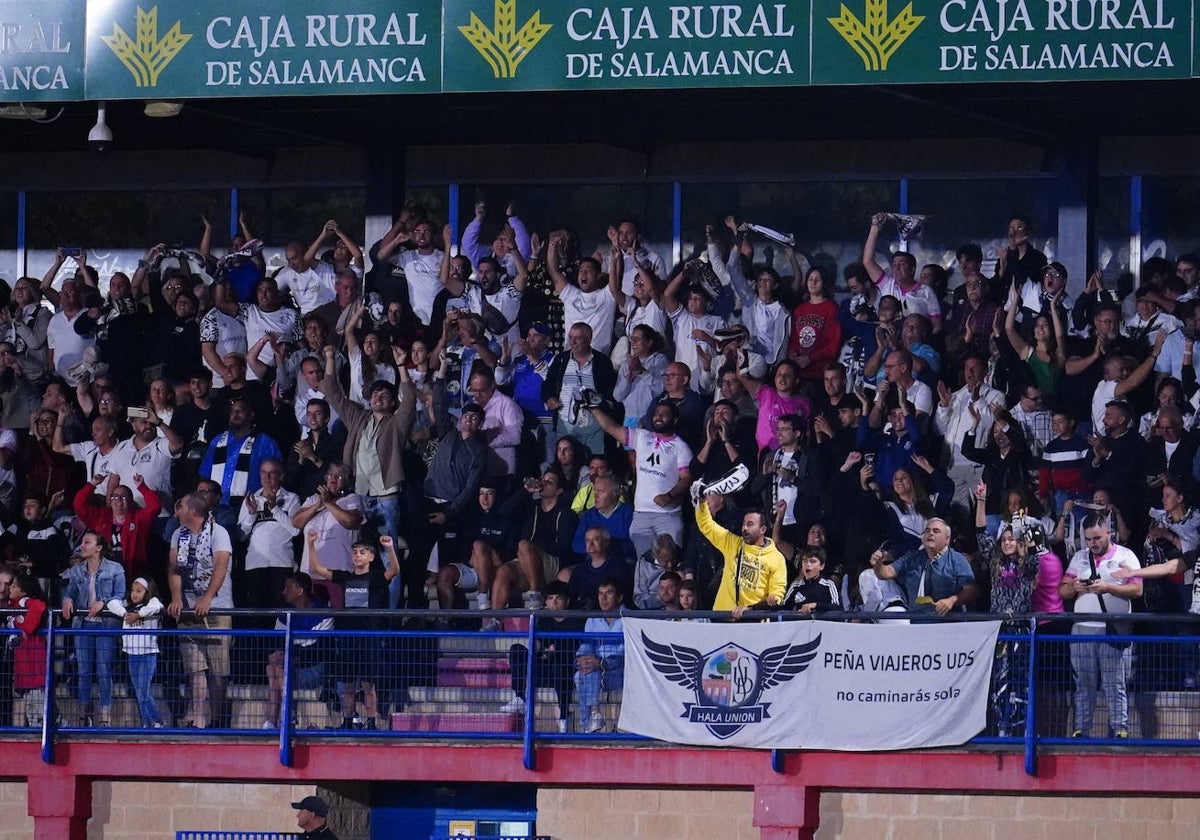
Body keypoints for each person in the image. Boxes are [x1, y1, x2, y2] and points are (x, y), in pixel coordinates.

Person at [1059, 513, 1143, 739]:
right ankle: (1081, 729)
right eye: (1088, 539)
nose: (1092, 543)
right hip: (1082, 628)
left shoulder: (1126, 556)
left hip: (1112, 629)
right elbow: (1062, 590)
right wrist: (1075, 587)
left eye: (1096, 538)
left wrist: (1108, 587)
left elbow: (1137, 590)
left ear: (1108, 532)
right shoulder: (1079, 557)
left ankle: (1120, 729)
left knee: (1115, 683)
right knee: (1083, 683)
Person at [167, 492, 235, 729]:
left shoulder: (219, 533)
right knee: (194, 668)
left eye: (182, 505)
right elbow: (174, 568)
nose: (177, 508)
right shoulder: (178, 534)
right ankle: (198, 717)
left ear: (193, 512)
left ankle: (217, 717)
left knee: (218, 670)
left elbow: (221, 566)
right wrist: (176, 597)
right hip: (188, 610)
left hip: (217, 609)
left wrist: (207, 597)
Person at [593, 402, 692, 559]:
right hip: (641, 515)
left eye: (664, 414)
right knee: (645, 565)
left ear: (674, 420)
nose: (658, 416)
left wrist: (670, 496)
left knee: (669, 565)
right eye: (656, 413)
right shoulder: (641, 436)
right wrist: (594, 408)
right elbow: (610, 428)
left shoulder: (681, 447)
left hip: (667, 515)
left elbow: (686, 478)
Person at [500, 580, 584, 733]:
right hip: (544, 668)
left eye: (558, 598)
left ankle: (563, 718)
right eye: (550, 598)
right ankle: (520, 698)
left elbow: (575, 648)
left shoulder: (576, 620)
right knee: (517, 649)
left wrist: (555, 650)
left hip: (565, 671)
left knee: (560, 663)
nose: (554, 602)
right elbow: (539, 646)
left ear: (567, 601)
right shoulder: (543, 618)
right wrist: (538, 647)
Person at [61, 531, 126, 726]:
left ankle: (105, 714)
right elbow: (70, 590)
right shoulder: (77, 570)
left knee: (104, 670)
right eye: (82, 542)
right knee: (83, 671)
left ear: (98, 547)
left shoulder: (115, 569)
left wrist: (103, 602)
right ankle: (84, 713)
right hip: (83, 624)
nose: (83, 545)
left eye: (87, 542)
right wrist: (67, 599)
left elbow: (120, 594)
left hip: (106, 626)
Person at [695, 492, 787, 616]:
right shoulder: (733, 543)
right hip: (722, 617)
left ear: (762, 530)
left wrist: (765, 603)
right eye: (744, 524)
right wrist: (701, 502)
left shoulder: (776, 558)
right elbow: (707, 525)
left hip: (753, 621)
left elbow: (777, 592)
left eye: (750, 524)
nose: (744, 528)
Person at [264, 572, 334, 730]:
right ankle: (273, 722)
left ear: (299, 590)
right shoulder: (284, 615)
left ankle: (287, 716)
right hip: (292, 668)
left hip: (315, 670)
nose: (283, 592)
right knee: (273, 667)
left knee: (282, 668)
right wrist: (277, 656)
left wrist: (293, 656)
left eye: (287, 588)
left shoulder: (323, 613)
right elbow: (276, 644)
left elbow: (322, 650)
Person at [869, 518, 977, 616]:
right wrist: (878, 564)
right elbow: (885, 573)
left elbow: (971, 590)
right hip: (916, 622)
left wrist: (952, 600)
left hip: (947, 623)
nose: (930, 533)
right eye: (927, 530)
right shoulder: (911, 557)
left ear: (947, 539)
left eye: (936, 531)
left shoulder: (957, 560)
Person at [106, 577, 165, 728]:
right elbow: (111, 603)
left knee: (143, 691)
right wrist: (124, 613)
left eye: (139, 591)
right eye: (133, 590)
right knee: (139, 692)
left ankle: (156, 721)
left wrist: (139, 615)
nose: (134, 594)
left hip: (147, 654)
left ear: (147, 592)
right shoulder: (128, 607)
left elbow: (157, 604)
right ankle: (146, 722)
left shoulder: (151, 604)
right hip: (132, 654)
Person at [574, 579, 625, 733]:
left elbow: (626, 655)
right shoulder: (592, 620)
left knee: (590, 672)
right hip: (597, 670)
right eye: (600, 594)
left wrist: (602, 663)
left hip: (619, 671)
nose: (603, 598)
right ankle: (593, 717)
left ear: (619, 597)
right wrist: (582, 660)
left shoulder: (628, 619)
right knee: (581, 674)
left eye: (608, 593)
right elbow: (587, 646)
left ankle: (587, 725)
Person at [8, 571, 47, 727]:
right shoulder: (12, 605)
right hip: (23, 667)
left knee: (36, 707)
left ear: (23, 590)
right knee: (31, 706)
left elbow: (39, 605)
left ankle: (48, 731)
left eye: (14, 585)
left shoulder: (25, 602)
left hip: (34, 666)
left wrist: (26, 630)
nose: (9, 588)